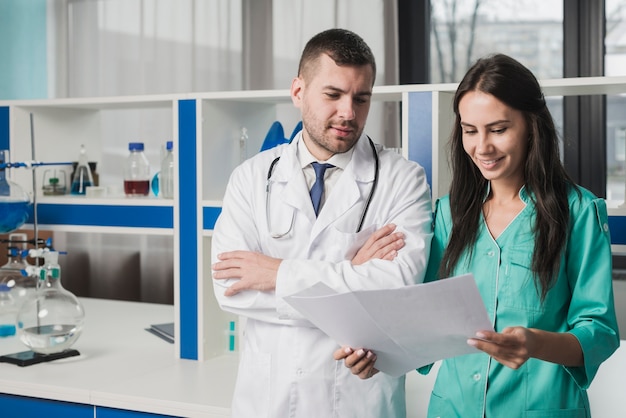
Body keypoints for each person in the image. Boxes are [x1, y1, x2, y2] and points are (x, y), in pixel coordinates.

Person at [335, 53, 620, 417]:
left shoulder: (579, 213)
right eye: (470, 130)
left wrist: (534, 343)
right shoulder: (447, 215)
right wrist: (376, 357)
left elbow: (599, 330)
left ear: (532, 126)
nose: (482, 147)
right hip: (452, 408)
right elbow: (419, 323)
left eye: (498, 129)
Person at [211, 28, 433, 417]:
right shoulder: (250, 177)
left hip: (357, 399)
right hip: (269, 398)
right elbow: (231, 286)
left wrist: (276, 273)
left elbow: (398, 288)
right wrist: (352, 275)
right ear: (298, 91)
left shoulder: (403, 179)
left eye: (361, 98)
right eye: (333, 95)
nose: (348, 112)